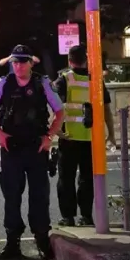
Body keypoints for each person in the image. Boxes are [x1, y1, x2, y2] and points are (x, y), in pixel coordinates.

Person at [0, 45, 65, 260]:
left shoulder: (42, 84)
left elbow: (60, 112)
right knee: (11, 195)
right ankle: (13, 241)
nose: (18, 65)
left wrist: (49, 137)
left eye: (22, 61)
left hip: (35, 147)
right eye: (15, 62)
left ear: (31, 62)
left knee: (39, 195)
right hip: (11, 147)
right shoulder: (4, 84)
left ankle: (41, 238)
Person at [53, 45, 112, 227]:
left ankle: (68, 217)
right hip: (91, 137)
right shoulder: (95, 80)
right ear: (86, 60)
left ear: (69, 60)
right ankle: (86, 216)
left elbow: (57, 108)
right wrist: (112, 135)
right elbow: (106, 110)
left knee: (66, 179)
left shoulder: (64, 79)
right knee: (87, 178)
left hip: (69, 136)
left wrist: (55, 131)